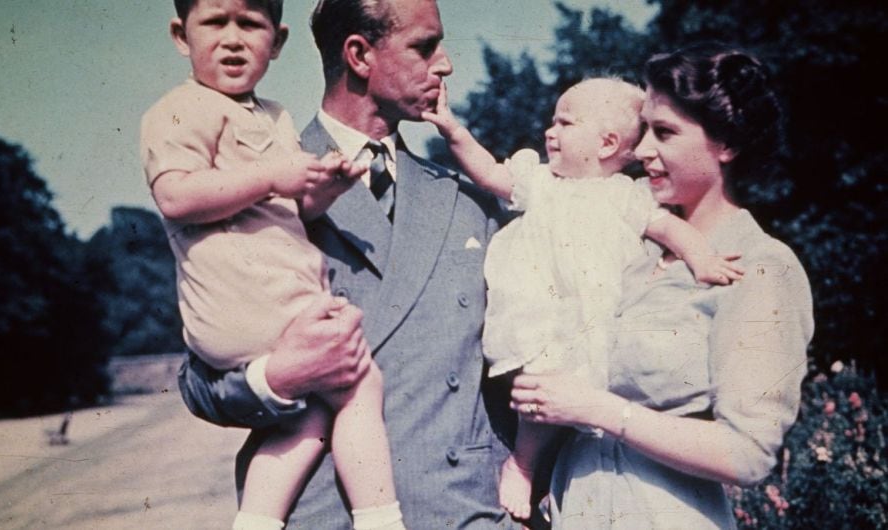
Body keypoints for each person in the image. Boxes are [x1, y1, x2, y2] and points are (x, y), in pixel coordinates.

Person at [175, 0, 521, 528]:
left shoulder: (470, 203)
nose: (445, 64)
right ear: (359, 55)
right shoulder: (251, 186)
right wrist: (278, 378)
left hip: (463, 512)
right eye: (425, 47)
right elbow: (199, 380)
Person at [508, 43, 814, 529]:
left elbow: (748, 453)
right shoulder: (628, 251)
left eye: (665, 133)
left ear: (726, 145)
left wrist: (600, 409)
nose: (642, 149)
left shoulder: (760, 266)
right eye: (644, 129)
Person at [423, 77, 744, 520]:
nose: (549, 132)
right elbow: (491, 173)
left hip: (595, 316)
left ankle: (560, 479)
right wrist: (453, 130)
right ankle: (523, 464)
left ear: (607, 142)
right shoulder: (541, 183)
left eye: (565, 123)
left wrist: (702, 258)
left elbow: (672, 229)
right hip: (540, 310)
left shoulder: (625, 197)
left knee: (584, 393)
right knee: (542, 385)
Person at [139, 1, 407, 528]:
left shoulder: (275, 115)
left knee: (306, 417)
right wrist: (271, 174)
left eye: (251, 24)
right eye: (215, 23)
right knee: (360, 383)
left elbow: (290, 207)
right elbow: (175, 196)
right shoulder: (176, 110)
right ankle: (380, 517)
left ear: (277, 43)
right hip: (245, 303)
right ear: (180, 35)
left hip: (268, 304)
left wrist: (323, 189)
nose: (233, 39)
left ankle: (257, 521)